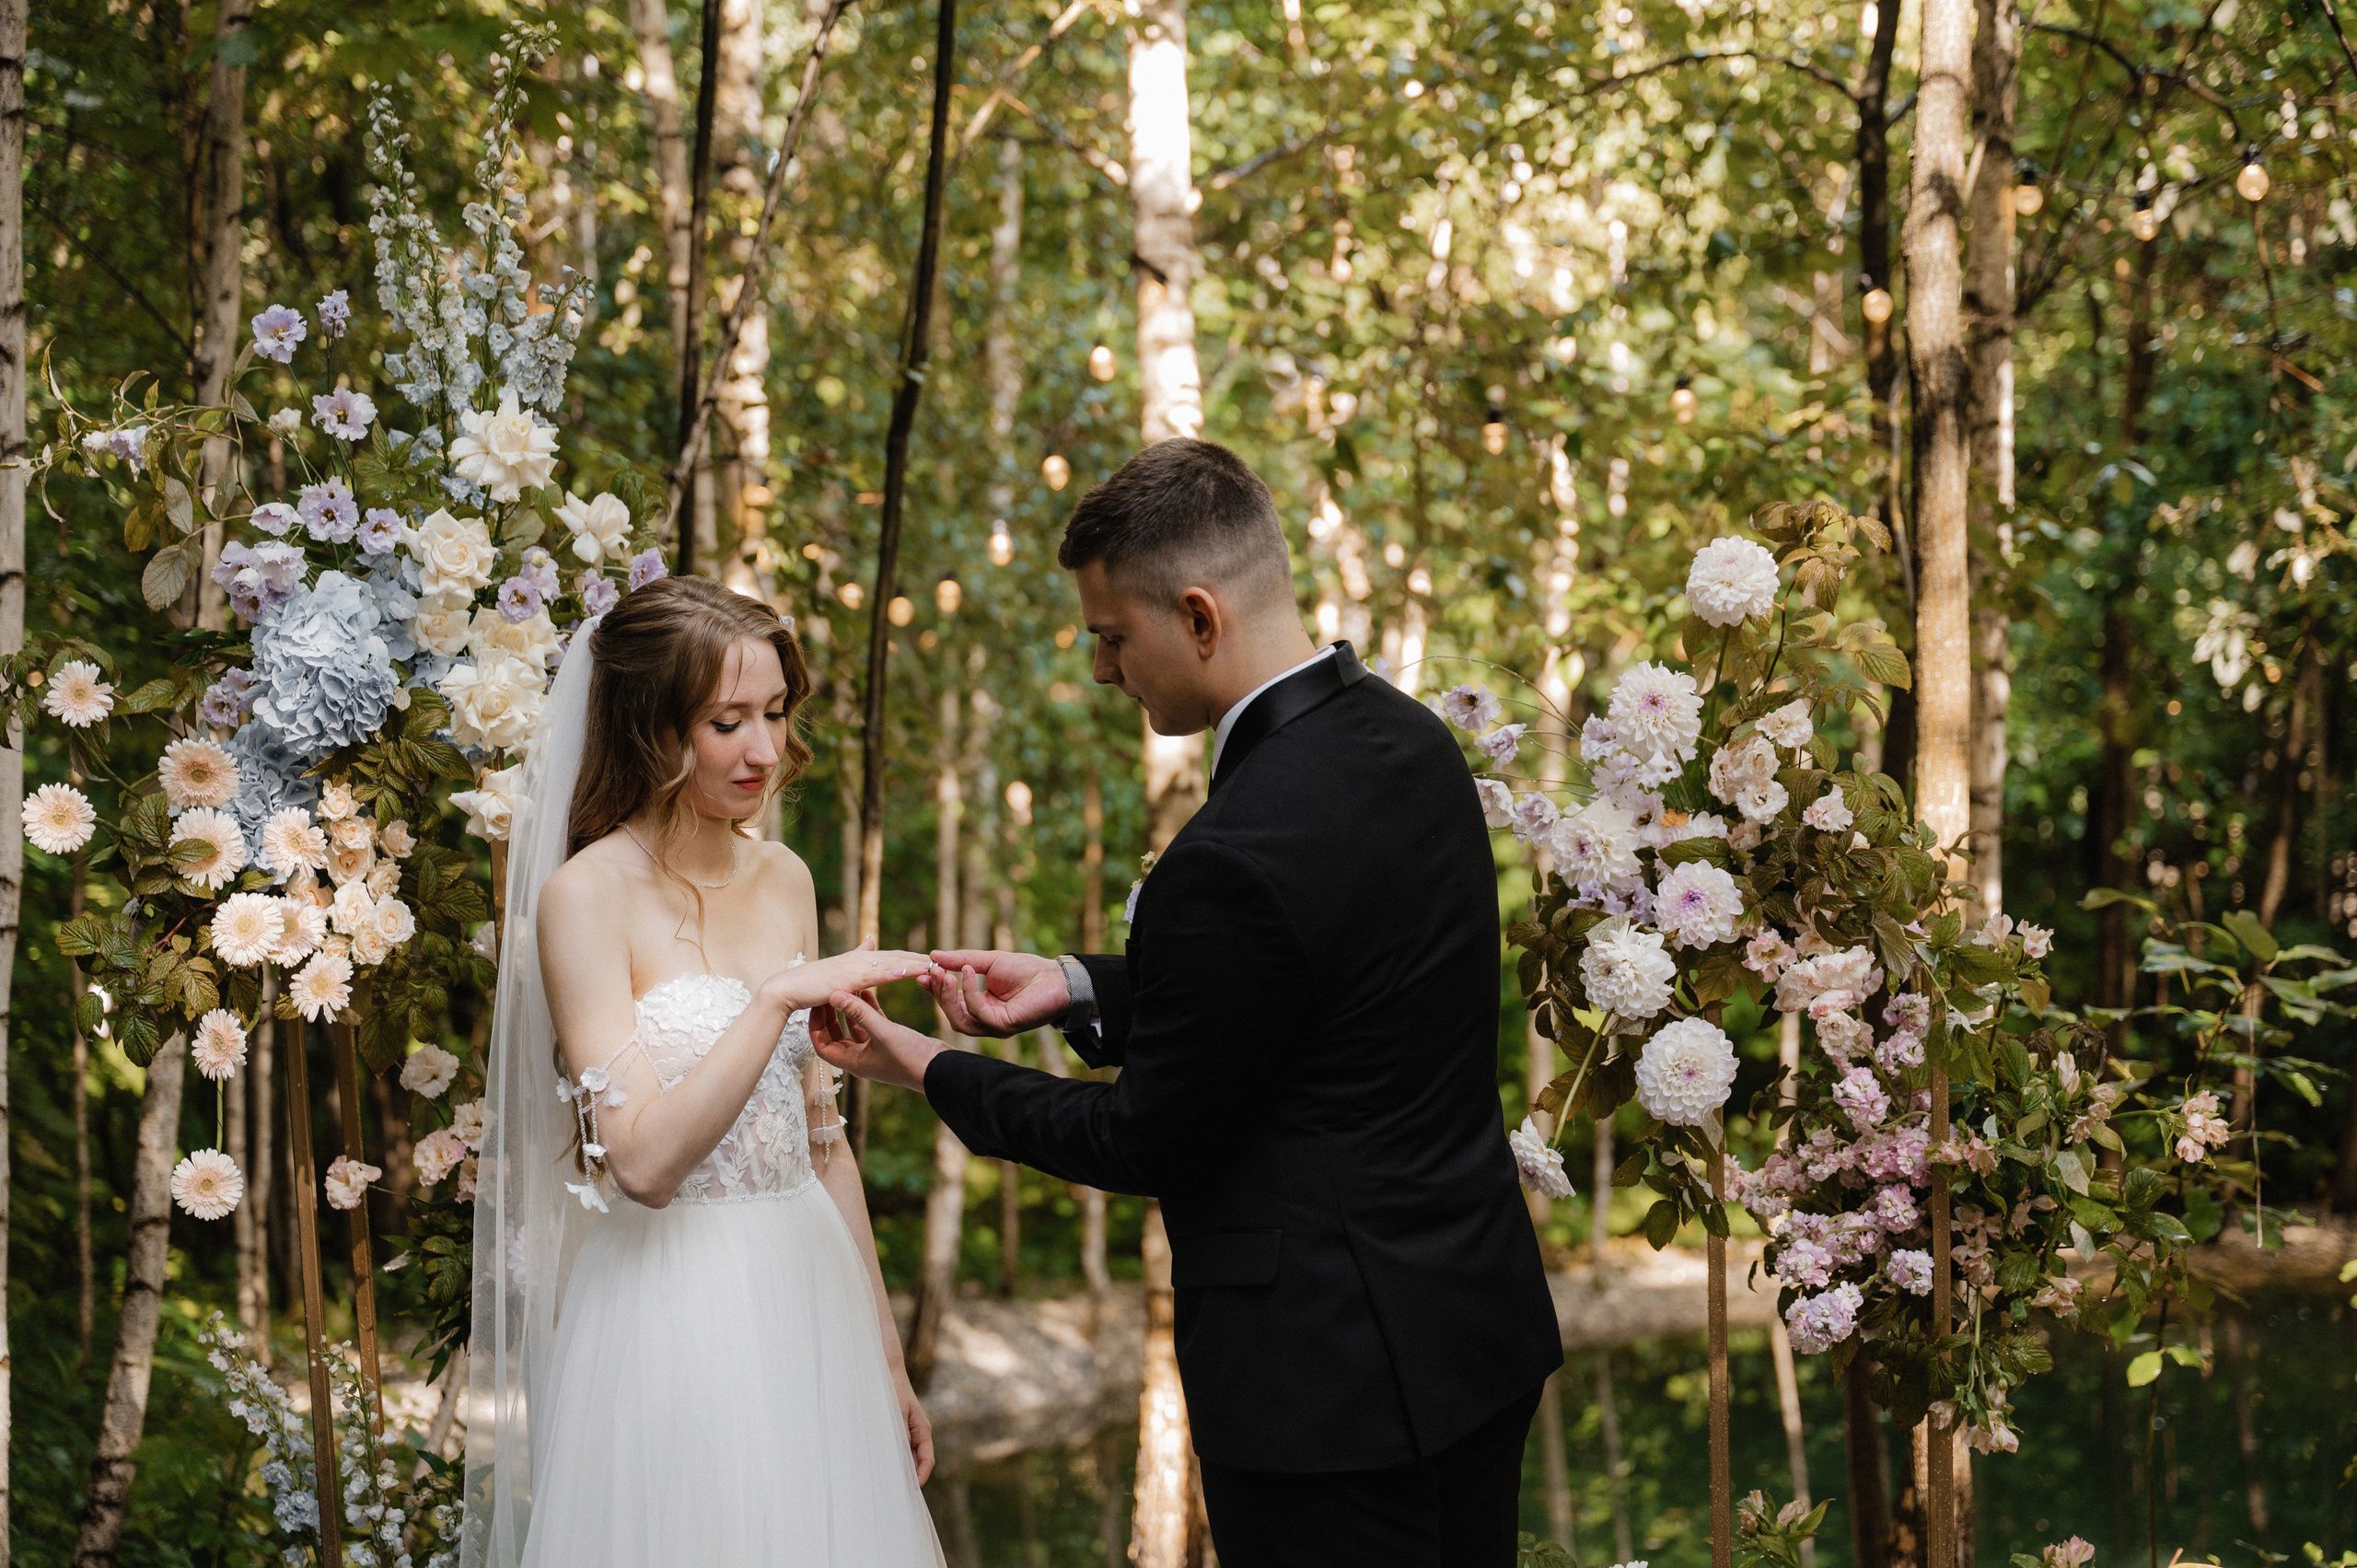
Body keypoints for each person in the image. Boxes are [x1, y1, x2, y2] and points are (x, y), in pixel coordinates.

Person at [812, 437, 1563, 1566]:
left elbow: (1143, 1136)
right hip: (1470, 1330)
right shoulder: (1413, 745)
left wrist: (925, 1066)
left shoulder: (1231, 850)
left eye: (1113, 637)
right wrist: (1075, 985)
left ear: (1200, 617)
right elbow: (1323, 994)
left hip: (1324, 1391)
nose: (1106, 672)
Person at [461, 575, 944, 1568]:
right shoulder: (585, 896)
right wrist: (773, 1003)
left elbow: (825, 1143)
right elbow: (640, 1162)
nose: (764, 750)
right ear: (650, 725)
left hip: (810, 1291)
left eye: (774, 713)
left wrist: (883, 1354)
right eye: (727, 721)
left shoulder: (785, 876)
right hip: (671, 1303)